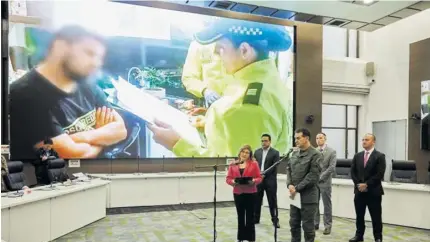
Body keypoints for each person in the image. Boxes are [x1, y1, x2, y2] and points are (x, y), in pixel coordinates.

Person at [148, 19, 292, 158]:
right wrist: (210, 123)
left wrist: (175, 144)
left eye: (220, 48)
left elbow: (237, 173)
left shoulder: (245, 107)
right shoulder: (266, 82)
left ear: (244, 50)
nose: (216, 55)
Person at [10, 25, 127, 160]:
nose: (96, 63)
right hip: (58, 178)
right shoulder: (26, 96)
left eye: (99, 57)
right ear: (60, 48)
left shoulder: (85, 83)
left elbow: (120, 130)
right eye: (89, 53)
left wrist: (82, 137)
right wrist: (104, 138)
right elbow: (72, 153)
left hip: (99, 173)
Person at [285, 128, 322, 242]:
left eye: (298, 138)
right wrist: (289, 184)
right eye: (295, 138)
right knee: (293, 223)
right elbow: (288, 169)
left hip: (308, 196)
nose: (296, 140)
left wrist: (297, 188)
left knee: (308, 226)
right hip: (294, 196)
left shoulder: (315, 154)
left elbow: (313, 176)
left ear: (306, 138)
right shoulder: (294, 153)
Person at [349, 133, 386, 242]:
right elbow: (353, 172)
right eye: (363, 140)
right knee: (359, 215)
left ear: (373, 142)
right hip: (359, 191)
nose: (364, 142)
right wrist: (358, 185)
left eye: (367, 140)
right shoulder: (357, 156)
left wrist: (367, 184)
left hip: (373, 192)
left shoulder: (379, 156)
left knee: (376, 216)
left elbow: (380, 174)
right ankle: (359, 235)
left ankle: (378, 238)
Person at [226, 145, 262, 242]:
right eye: (243, 152)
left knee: (250, 216)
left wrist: (253, 181)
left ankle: (251, 239)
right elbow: (228, 179)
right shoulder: (233, 164)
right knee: (240, 216)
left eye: (247, 152)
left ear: (250, 154)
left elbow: (259, 178)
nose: (245, 154)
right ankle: (240, 237)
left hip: (251, 193)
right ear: (240, 153)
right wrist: (233, 182)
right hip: (238, 193)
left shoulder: (254, 164)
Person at [182, 41, 231, 106]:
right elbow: (188, 77)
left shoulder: (238, 42)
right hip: (210, 104)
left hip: (237, 103)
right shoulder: (198, 44)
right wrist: (205, 90)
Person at [254, 133, 280, 228]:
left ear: (270, 141)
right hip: (258, 180)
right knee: (257, 200)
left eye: (265, 141)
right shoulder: (257, 152)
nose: (263, 143)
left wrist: (264, 174)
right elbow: (254, 165)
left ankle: (275, 220)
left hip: (270, 181)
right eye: (262, 141)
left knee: (272, 201)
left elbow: (274, 167)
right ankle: (256, 219)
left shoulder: (275, 152)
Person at [314, 132, 337, 235]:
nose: (319, 140)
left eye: (321, 138)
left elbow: (331, 167)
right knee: (315, 203)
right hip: (314, 182)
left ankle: (328, 225)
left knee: (326, 204)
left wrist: (321, 176)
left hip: (325, 182)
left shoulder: (332, 151)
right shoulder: (314, 151)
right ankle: (315, 223)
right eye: (317, 138)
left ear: (325, 139)